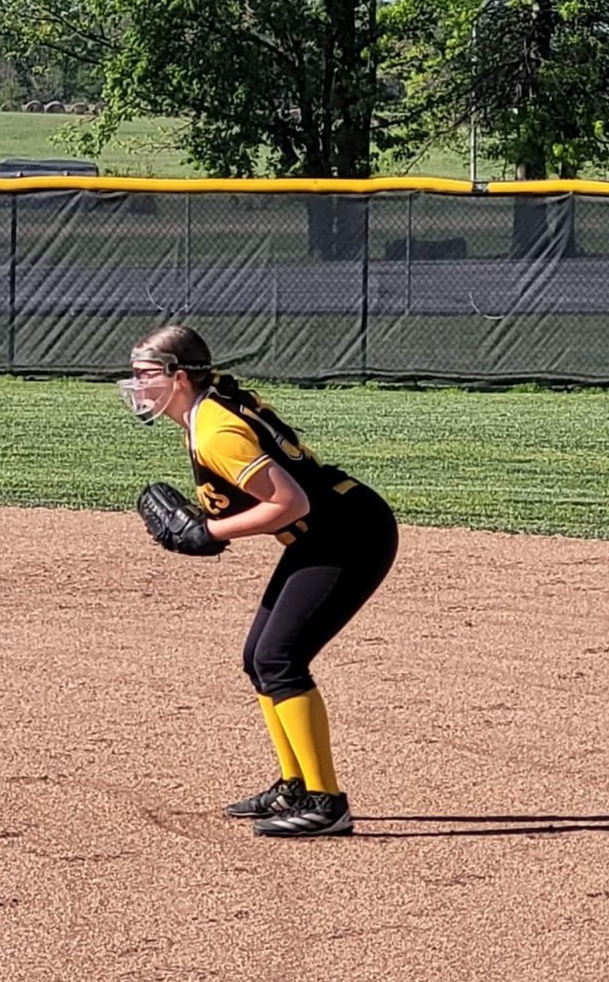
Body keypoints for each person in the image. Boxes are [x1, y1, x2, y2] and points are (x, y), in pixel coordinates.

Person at [118, 324, 399, 838]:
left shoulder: (213, 431)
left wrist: (208, 531)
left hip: (350, 535)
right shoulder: (207, 406)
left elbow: (290, 503)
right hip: (327, 532)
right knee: (259, 658)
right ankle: (296, 785)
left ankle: (325, 802)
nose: (135, 384)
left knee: (279, 659)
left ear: (178, 377)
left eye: (144, 374)